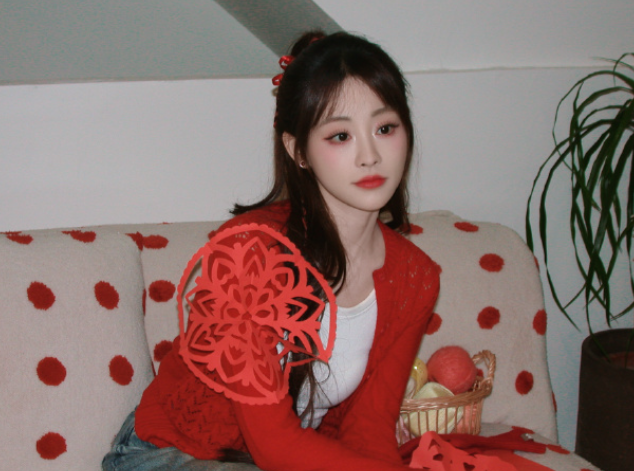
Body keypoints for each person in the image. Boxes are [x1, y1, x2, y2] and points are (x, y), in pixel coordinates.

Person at [103, 30, 440, 471]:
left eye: (385, 128)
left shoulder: (416, 278)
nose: (370, 155)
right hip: (169, 454)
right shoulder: (250, 255)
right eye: (341, 135)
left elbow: (369, 428)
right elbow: (273, 446)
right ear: (298, 151)